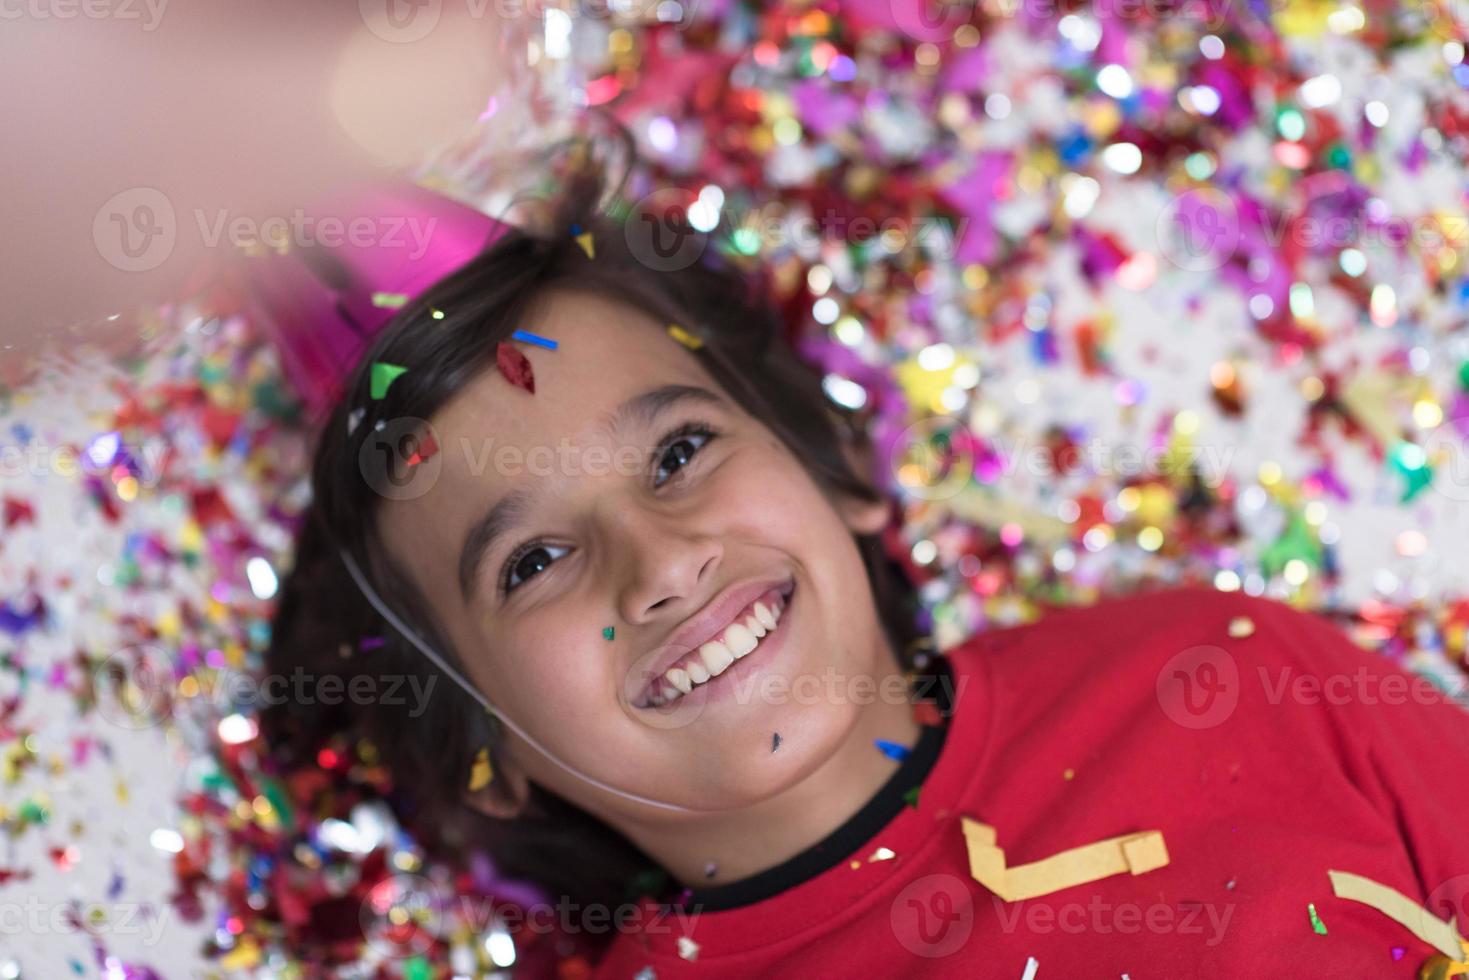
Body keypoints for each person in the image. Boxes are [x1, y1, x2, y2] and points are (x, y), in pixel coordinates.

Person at [263, 141, 1469, 978]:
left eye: (678, 450)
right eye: (528, 561)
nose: (662, 562)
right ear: (478, 752)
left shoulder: (1220, 670)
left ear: (836, 467)